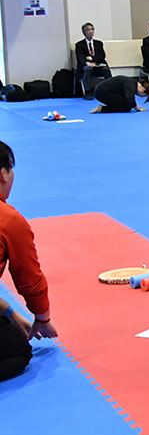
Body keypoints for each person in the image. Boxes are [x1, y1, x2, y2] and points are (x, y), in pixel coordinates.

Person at [0, 141, 58, 383]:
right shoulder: (8, 220)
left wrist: (10, 312)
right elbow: (29, 281)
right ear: (3, 173)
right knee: (17, 352)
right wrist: (42, 319)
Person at [74, 22, 111, 99]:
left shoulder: (99, 43)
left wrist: (91, 59)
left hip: (98, 65)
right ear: (84, 32)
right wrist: (87, 62)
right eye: (88, 30)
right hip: (86, 66)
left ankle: (110, 90)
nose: (90, 31)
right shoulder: (79, 45)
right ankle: (87, 92)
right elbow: (81, 58)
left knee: (106, 69)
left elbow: (102, 56)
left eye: (92, 29)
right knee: (88, 69)